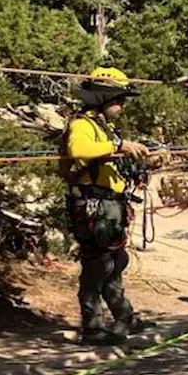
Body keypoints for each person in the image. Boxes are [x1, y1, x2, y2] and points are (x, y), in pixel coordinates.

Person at [59, 67, 153, 346]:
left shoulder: (103, 128)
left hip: (109, 206)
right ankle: (93, 328)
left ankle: (124, 317)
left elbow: (111, 160)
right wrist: (120, 144)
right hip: (92, 206)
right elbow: (78, 149)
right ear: (101, 99)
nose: (122, 106)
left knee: (115, 262)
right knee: (97, 265)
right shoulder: (82, 125)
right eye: (118, 100)